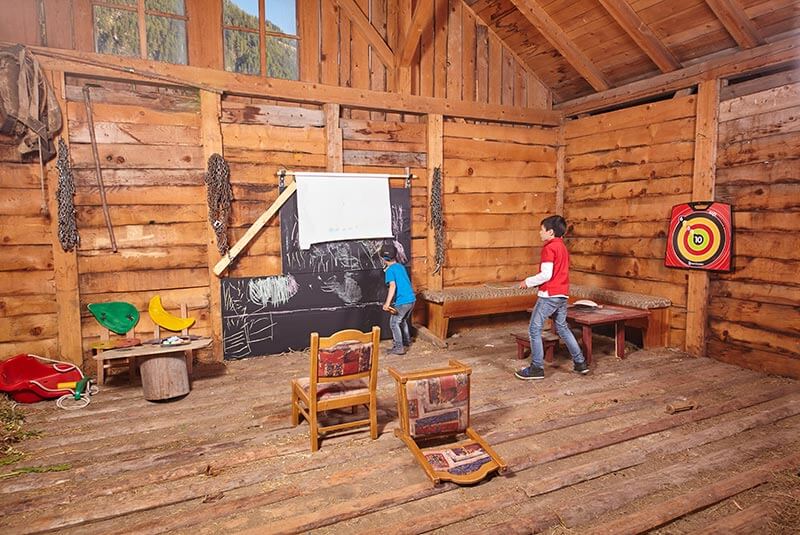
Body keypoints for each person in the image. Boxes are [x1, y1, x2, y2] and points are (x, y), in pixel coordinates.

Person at [515, 215, 589, 380]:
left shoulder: (549, 248)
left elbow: (546, 275)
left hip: (549, 295)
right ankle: (580, 363)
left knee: (534, 329)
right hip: (562, 294)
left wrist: (528, 282)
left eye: (542, 230)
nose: (540, 233)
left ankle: (536, 368)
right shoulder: (562, 247)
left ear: (550, 232)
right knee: (562, 328)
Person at [381, 243, 415, 355]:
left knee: (394, 323)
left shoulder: (390, 270)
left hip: (403, 301)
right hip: (411, 299)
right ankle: (406, 341)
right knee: (403, 320)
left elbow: (392, 286)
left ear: (383, 258)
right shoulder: (400, 267)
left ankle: (399, 347)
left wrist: (387, 303)